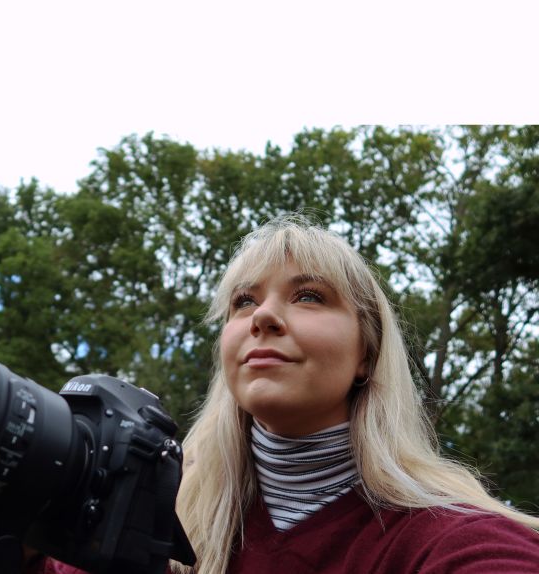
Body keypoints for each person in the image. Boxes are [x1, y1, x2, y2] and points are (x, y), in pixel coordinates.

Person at [32, 215, 539, 573]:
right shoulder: (153, 534)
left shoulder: (449, 543)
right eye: (243, 301)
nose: (263, 317)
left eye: (309, 296)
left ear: (367, 354)